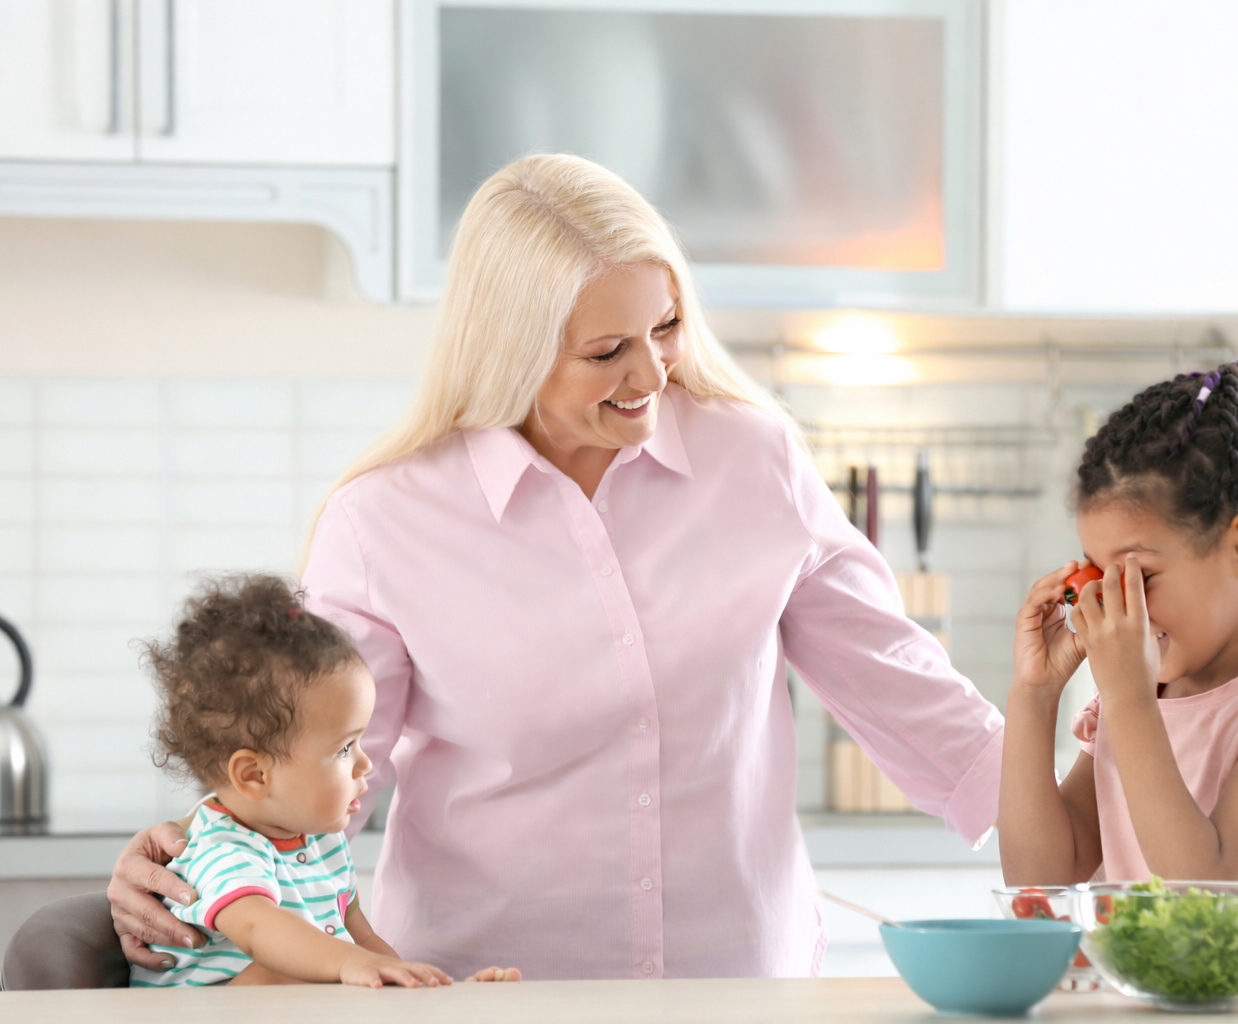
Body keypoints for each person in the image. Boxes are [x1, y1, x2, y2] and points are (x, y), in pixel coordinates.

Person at [108, 154, 1005, 981]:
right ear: (513, 349)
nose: (651, 373)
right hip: (486, 990)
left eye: (666, 326)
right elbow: (306, 766)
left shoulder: (753, 460)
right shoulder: (385, 521)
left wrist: (1069, 794)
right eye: (606, 352)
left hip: (733, 985)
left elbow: (904, 687)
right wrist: (186, 859)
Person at [997, 354, 1238, 974]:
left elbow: (1205, 884)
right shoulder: (1136, 699)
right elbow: (1041, 880)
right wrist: (1034, 694)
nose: (1114, 604)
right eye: (1100, 574)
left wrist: (1128, 698)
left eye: (1140, 576)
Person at [127, 573, 518, 987]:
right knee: (292, 966)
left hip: (280, 1009)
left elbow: (362, 942)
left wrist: (419, 988)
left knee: (335, 964)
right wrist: (350, 964)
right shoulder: (220, 850)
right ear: (255, 775)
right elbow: (261, 930)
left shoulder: (323, 842)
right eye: (344, 748)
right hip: (199, 1010)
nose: (365, 764)